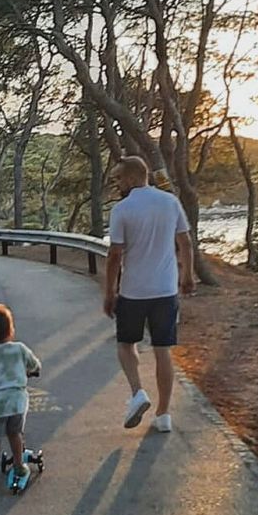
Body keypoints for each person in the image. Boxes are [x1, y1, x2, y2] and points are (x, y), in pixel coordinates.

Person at [103, 156, 196, 432]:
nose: (117, 183)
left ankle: (138, 393)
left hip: (134, 291)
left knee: (125, 344)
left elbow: (115, 254)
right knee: (162, 350)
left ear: (133, 177)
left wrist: (110, 291)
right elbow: (185, 242)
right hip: (165, 290)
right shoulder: (170, 202)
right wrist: (187, 275)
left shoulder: (122, 209)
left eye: (119, 178)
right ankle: (164, 415)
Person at [0, 303, 42, 499]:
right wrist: (31, 371)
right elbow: (35, 365)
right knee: (14, 434)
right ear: (11, 329)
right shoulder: (20, 349)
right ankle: (19, 466)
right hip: (16, 402)